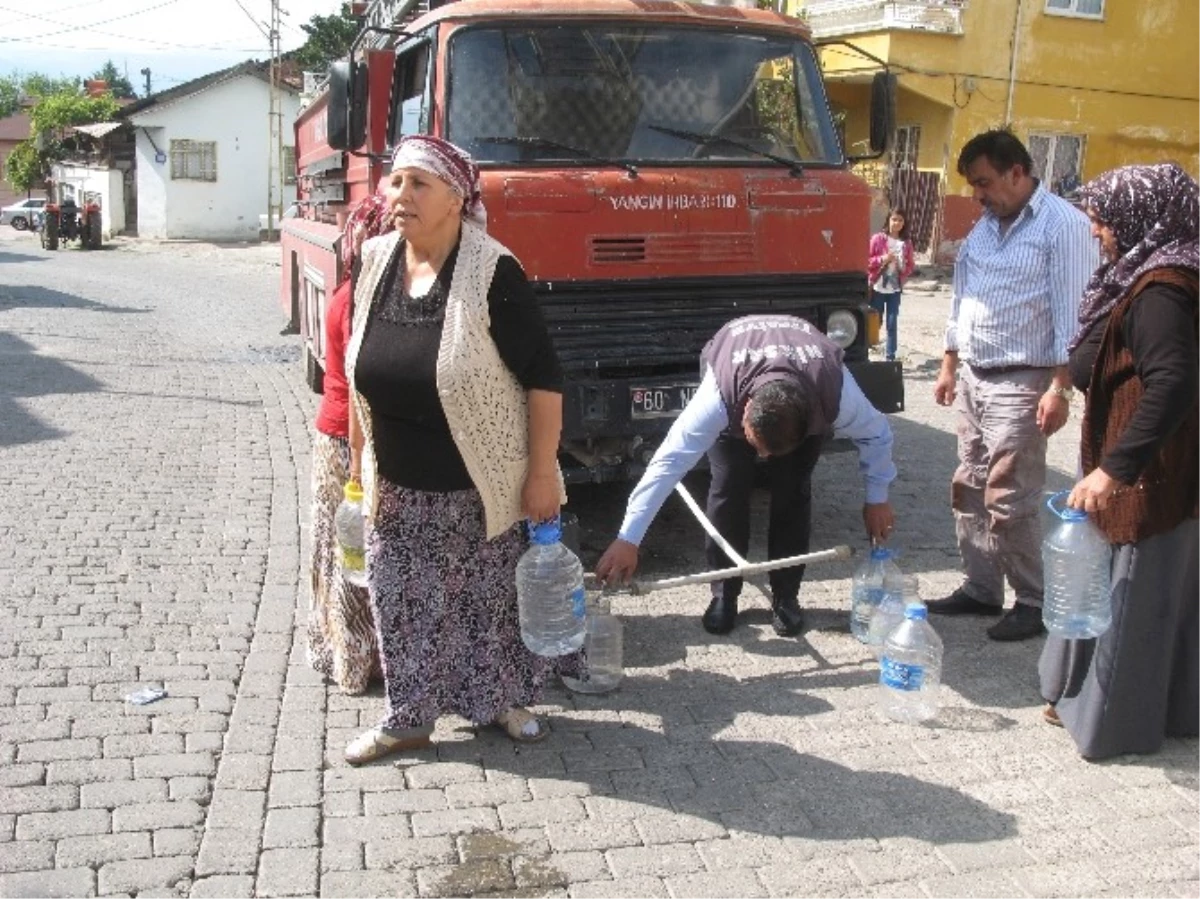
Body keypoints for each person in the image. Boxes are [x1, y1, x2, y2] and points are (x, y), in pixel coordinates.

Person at [342, 134, 573, 764]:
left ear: (455, 198)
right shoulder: (375, 259)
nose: (400, 195)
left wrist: (542, 472)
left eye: (419, 184)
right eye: (395, 182)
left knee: (488, 604)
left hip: (482, 481)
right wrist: (357, 470)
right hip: (395, 481)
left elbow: (545, 379)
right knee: (398, 601)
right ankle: (408, 718)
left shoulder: (492, 270)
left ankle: (502, 701)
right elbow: (359, 367)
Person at [596, 314, 897, 636]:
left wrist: (877, 498)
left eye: (769, 452)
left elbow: (878, 434)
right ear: (747, 409)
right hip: (738, 377)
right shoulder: (719, 400)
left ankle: (786, 597)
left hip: (799, 387)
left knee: (793, 491)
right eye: (758, 445)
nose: (762, 458)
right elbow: (668, 463)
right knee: (727, 489)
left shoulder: (835, 394)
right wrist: (629, 538)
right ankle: (724, 594)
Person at [1039, 162, 1200, 759]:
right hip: (1147, 466)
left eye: (1103, 220)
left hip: (1150, 475)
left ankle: (1116, 725)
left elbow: (1174, 383)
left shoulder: (1161, 289)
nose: (1096, 231)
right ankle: (1115, 702)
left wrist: (1115, 469)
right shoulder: (1149, 275)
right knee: (1132, 591)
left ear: (1143, 219)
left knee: (1137, 596)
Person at [929, 130, 1097, 642]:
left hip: (1024, 381)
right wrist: (948, 364)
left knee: (1009, 493)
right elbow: (963, 301)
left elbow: (1076, 313)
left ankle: (1032, 599)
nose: (978, 194)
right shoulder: (986, 226)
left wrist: (1060, 388)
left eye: (984, 182)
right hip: (976, 377)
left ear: (1017, 173)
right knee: (969, 485)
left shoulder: (1061, 226)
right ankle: (981, 587)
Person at [305, 194, 390, 694]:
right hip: (352, 443)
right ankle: (359, 661)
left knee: (341, 549)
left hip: (334, 437)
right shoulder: (367, 303)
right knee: (355, 549)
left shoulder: (349, 292)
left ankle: (338, 650)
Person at [867, 208, 916, 362]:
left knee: (892, 323)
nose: (897, 223)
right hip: (878, 288)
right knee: (875, 322)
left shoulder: (906, 243)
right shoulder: (877, 239)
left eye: (900, 220)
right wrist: (882, 259)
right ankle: (865, 354)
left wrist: (904, 270)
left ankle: (890, 358)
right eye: (894, 219)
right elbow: (866, 261)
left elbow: (911, 265)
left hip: (894, 290)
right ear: (888, 220)